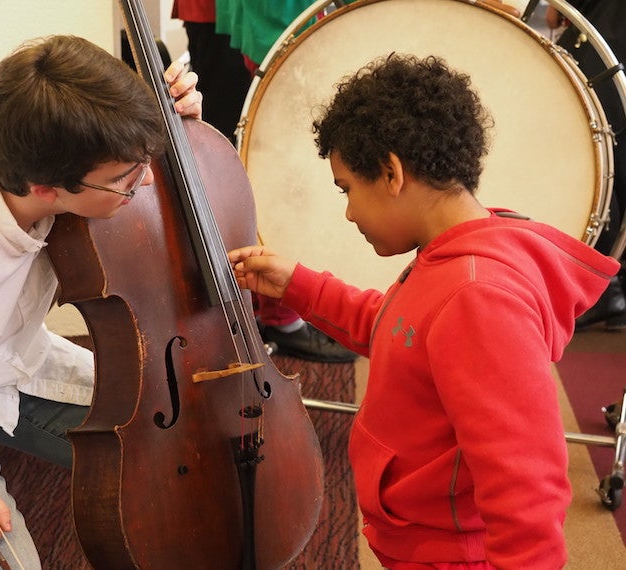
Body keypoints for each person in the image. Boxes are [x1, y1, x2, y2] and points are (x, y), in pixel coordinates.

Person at [229, 53, 620, 568]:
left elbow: (527, 490)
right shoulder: (449, 258)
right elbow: (398, 330)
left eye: (347, 189)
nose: (348, 212)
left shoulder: (478, 297)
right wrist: (298, 285)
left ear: (391, 172)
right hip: (419, 542)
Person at [0, 35, 203, 568]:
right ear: (46, 187)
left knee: (169, 444)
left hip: (10, 356)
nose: (140, 185)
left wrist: (175, 128)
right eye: (125, 181)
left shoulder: (33, 133)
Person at [173, 0, 356, 363]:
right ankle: (274, 313)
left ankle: (267, 306)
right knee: (265, 155)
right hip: (265, 14)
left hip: (248, 14)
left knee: (252, 153)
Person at [546, 0, 626, 330]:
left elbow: (553, 14)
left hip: (603, 45)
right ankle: (611, 289)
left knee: (599, 166)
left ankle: (607, 288)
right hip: (608, 41)